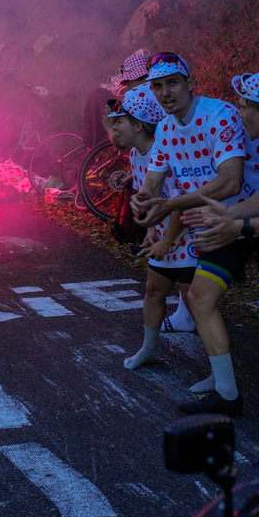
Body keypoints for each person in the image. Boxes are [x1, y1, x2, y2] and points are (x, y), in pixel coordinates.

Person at [131, 54, 259, 416]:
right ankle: (226, 392)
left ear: (191, 83)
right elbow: (153, 182)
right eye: (158, 86)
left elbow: (230, 181)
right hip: (223, 219)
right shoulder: (164, 128)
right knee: (200, 297)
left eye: (173, 83)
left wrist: (170, 204)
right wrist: (145, 201)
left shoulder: (220, 114)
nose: (165, 92)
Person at [183, 69, 259, 440]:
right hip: (254, 220)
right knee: (199, 294)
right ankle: (226, 394)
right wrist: (230, 213)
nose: (239, 114)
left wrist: (240, 226)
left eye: (244, 107)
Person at [102, 89, 193, 371]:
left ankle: (220, 375)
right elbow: (151, 195)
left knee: (197, 303)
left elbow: (182, 203)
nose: (114, 128)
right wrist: (153, 229)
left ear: (138, 125)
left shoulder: (163, 152)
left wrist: (166, 240)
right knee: (154, 290)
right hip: (164, 236)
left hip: (189, 236)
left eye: (120, 123)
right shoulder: (135, 153)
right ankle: (149, 349)